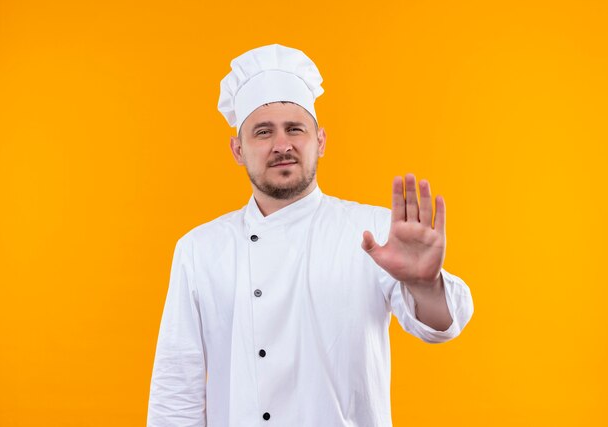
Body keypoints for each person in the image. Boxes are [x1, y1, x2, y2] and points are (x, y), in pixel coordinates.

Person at [147, 44, 474, 427]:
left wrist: (425, 284)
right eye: (263, 132)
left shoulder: (374, 233)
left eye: (295, 129)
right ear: (237, 150)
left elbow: (443, 326)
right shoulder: (199, 250)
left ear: (320, 140)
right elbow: (176, 390)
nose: (281, 145)